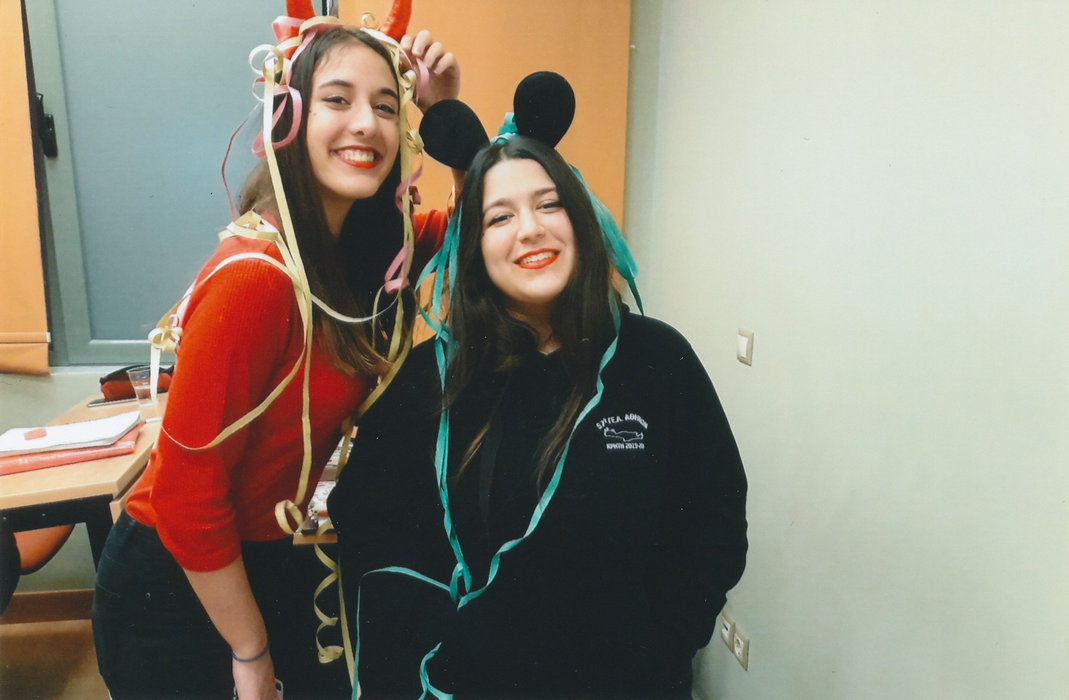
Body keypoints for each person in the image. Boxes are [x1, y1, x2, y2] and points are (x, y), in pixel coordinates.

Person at [328, 75, 748, 699]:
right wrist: (440, 657)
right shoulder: (431, 382)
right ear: (474, 246)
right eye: (500, 216)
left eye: (549, 205)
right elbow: (369, 530)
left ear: (581, 220)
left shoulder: (657, 362)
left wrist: (661, 645)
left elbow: (714, 520)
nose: (530, 229)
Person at [90, 2, 461, 698]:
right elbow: (184, 497)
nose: (366, 123)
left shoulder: (362, 250)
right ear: (288, 116)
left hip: (261, 557)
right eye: (338, 100)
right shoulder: (257, 281)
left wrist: (445, 114)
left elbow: (483, 233)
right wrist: (251, 650)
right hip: (175, 585)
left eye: (386, 106)